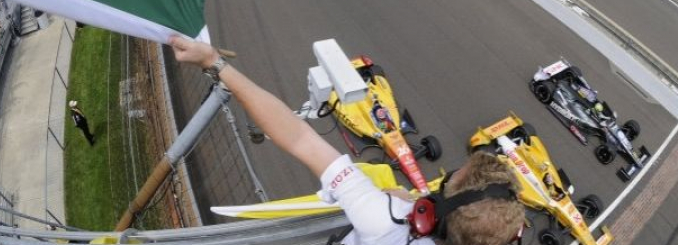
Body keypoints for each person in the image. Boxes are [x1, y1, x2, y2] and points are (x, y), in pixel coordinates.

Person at [170, 36, 525, 245]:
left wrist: (215, 62)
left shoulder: (384, 218)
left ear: (425, 216)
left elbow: (298, 138)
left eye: (450, 181)